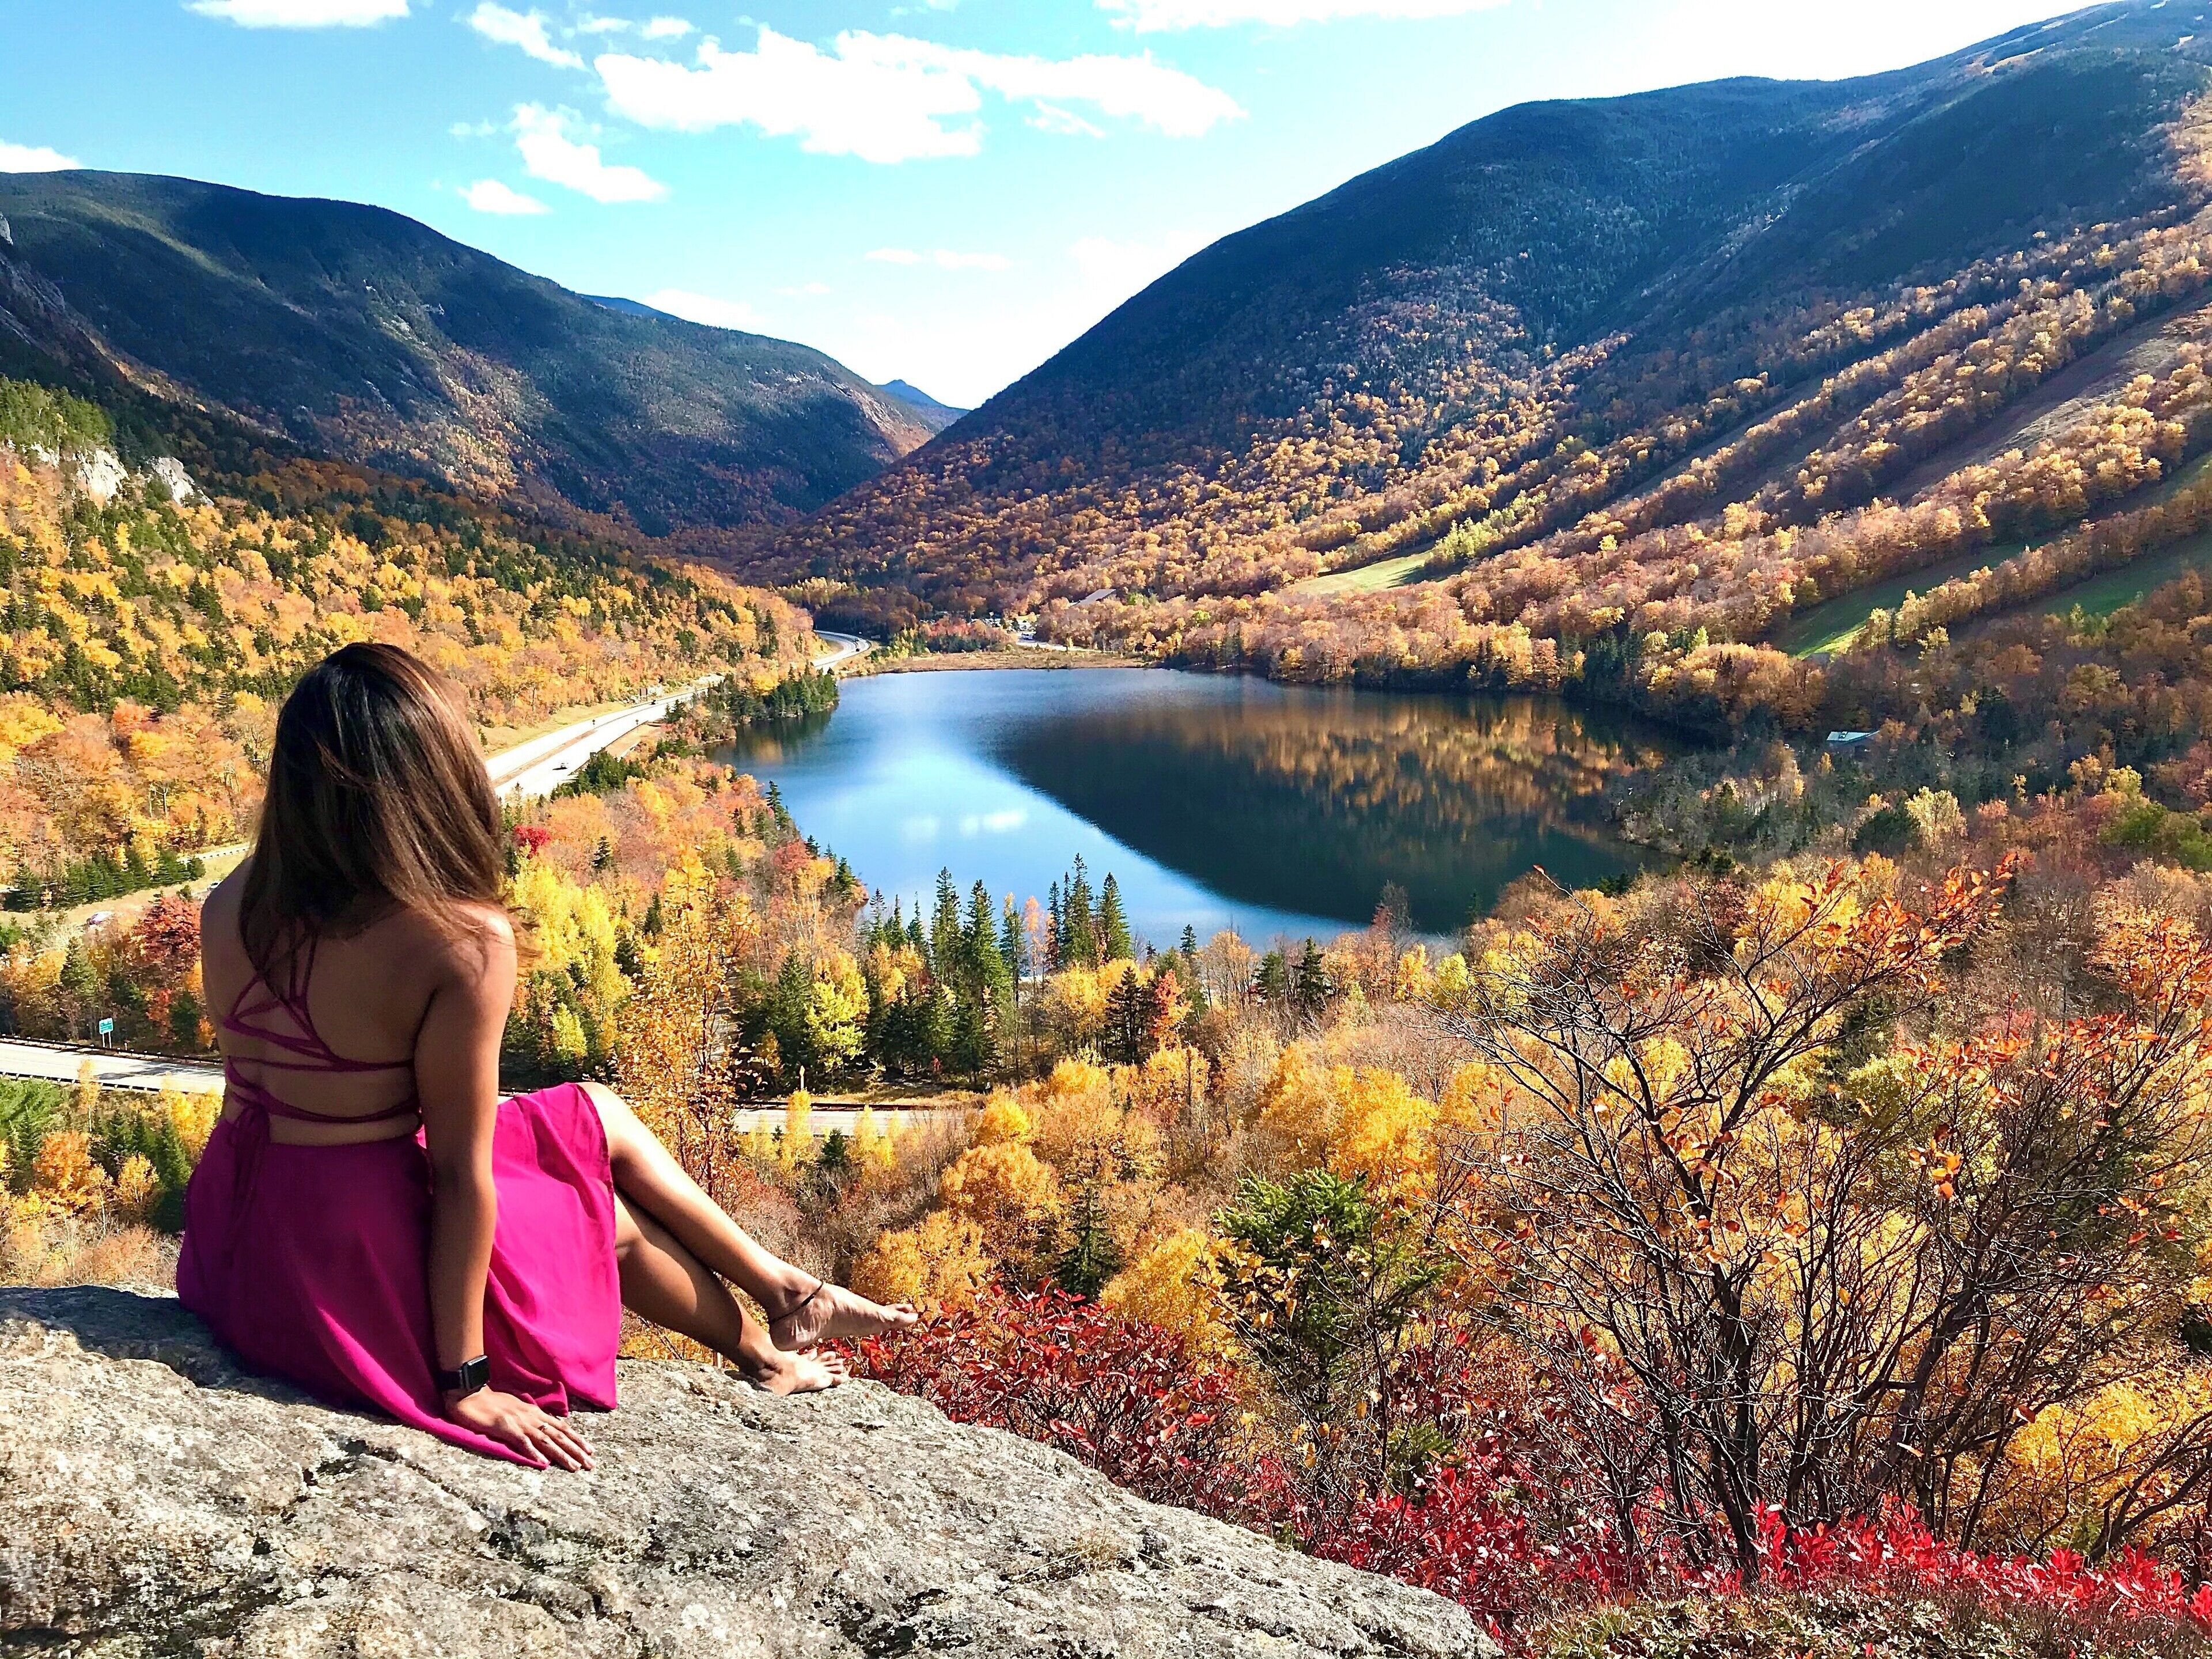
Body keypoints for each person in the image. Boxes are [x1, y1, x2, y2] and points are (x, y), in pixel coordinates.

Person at [177, 643, 915, 1469]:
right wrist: (466, 1380)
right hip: (350, 1260)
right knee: (606, 1221)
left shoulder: (232, 897)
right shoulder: (457, 941)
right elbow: (459, 1178)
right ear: (428, 782)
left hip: (245, 1230)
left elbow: (325, 1101)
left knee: (594, 1110)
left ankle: (787, 1296)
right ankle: (772, 1347)